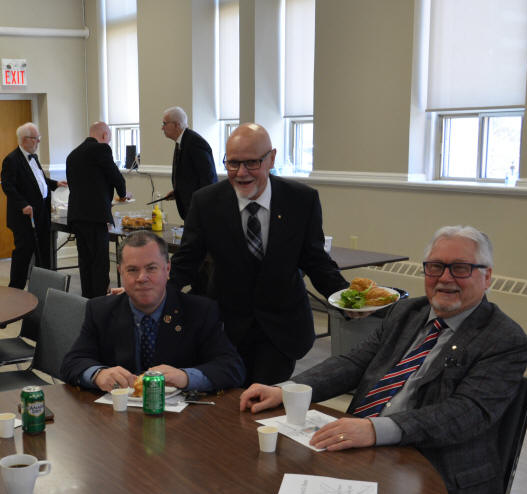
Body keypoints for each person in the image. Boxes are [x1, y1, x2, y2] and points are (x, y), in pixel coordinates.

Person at [239, 226, 527, 494]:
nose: (444, 278)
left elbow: (466, 413)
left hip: (433, 472)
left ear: (487, 276)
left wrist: (375, 429)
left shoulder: (504, 339)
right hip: (365, 453)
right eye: (435, 267)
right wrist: (288, 390)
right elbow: (354, 363)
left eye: (460, 268)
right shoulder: (407, 312)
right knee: (268, 493)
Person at [168, 123, 347, 384]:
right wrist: (151, 293)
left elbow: (315, 261)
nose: (241, 173)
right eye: (233, 163)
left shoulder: (301, 200)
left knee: (263, 399)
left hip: (281, 330)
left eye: (251, 163)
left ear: (271, 159)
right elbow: (186, 261)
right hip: (226, 328)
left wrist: (347, 298)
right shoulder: (206, 202)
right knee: (228, 397)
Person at [61, 231, 245, 392]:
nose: (142, 278)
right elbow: (72, 362)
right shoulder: (100, 310)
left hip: (182, 417)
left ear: (167, 269)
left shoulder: (199, 311)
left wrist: (185, 377)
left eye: (151, 268)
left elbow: (232, 368)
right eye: (132, 270)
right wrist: (98, 374)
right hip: (118, 414)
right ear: (120, 272)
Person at [66, 121, 130, 298]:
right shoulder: (101, 149)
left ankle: (87, 299)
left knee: (85, 261)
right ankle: (100, 301)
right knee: (99, 262)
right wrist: (123, 193)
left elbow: (78, 184)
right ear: (104, 135)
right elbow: (115, 175)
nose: (108, 142)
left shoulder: (72, 154)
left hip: (77, 215)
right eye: (109, 138)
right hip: (95, 216)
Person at [0, 122, 65, 289]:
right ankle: (16, 289)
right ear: (24, 140)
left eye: (38, 138)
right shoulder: (11, 160)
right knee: (24, 253)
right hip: (24, 216)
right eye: (35, 138)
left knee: (44, 251)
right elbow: (8, 186)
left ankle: (44, 288)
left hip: (42, 211)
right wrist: (23, 205)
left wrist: (55, 183)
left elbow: (39, 180)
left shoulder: (33, 157)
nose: (39, 141)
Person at [161, 106, 218, 220]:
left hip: (200, 209)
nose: (162, 128)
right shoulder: (181, 141)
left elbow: (208, 178)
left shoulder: (195, 142)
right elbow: (189, 175)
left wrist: (203, 209)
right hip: (190, 208)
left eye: (165, 123)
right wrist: (177, 192)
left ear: (177, 125)